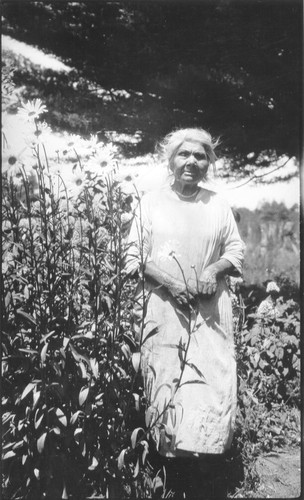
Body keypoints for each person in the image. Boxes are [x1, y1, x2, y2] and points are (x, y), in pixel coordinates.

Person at [125, 128, 245, 498]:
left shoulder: (217, 204)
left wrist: (214, 270)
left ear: (209, 162)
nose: (192, 162)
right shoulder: (150, 203)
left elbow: (236, 251)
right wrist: (171, 285)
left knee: (208, 387)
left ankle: (205, 478)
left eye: (200, 156)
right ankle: (166, 478)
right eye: (184, 154)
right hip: (164, 311)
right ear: (170, 159)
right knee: (166, 384)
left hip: (208, 313)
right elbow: (133, 257)